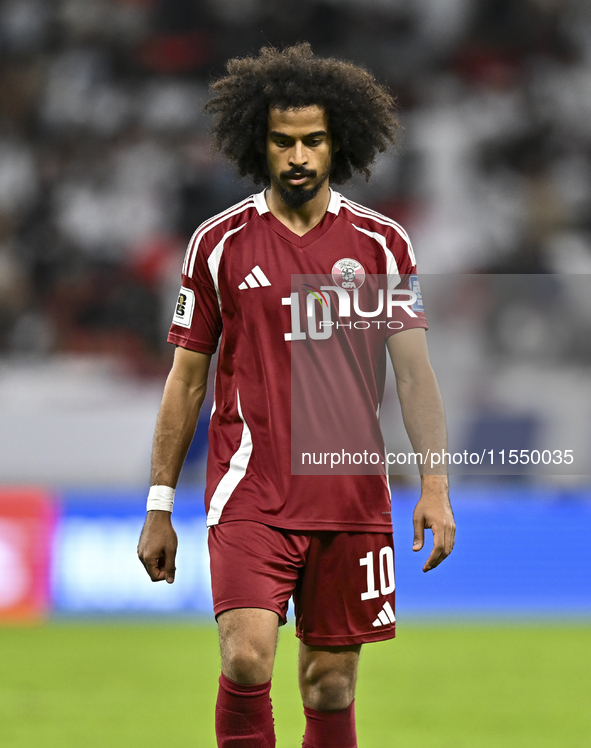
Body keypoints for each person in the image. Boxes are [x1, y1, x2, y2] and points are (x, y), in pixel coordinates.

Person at [138, 43, 455, 748]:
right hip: (250, 492)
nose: (298, 156)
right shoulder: (219, 244)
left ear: (337, 140)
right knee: (247, 655)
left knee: (330, 683)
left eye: (313, 140)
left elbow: (412, 374)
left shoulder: (381, 245)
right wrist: (159, 504)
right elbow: (187, 377)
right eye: (283, 142)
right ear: (261, 144)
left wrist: (433, 485)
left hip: (349, 496)